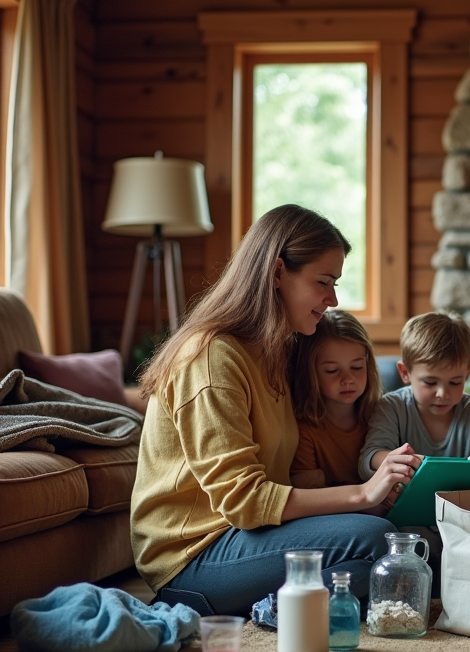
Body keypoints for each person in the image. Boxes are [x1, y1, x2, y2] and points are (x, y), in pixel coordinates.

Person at [130, 204, 418, 617]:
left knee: (393, 549)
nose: (332, 299)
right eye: (323, 282)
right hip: (192, 561)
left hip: (249, 538)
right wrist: (361, 493)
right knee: (374, 541)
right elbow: (244, 501)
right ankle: (272, 610)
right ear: (278, 272)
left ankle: (280, 608)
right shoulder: (211, 358)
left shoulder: (276, 353)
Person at [358, 311, 470, 481]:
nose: (443, 394)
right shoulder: (392, 407)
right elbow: (369, 458)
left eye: (455, 382)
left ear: (467, 373)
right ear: (405, 373)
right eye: (430, 382)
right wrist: (397, 460)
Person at [289, 309, 407, 516]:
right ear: (310, 372)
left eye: (357, 367)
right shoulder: (305, 429)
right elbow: (310, 497)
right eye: (332, 371)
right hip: (338, 519)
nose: (347, 379)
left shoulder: (382, 415)